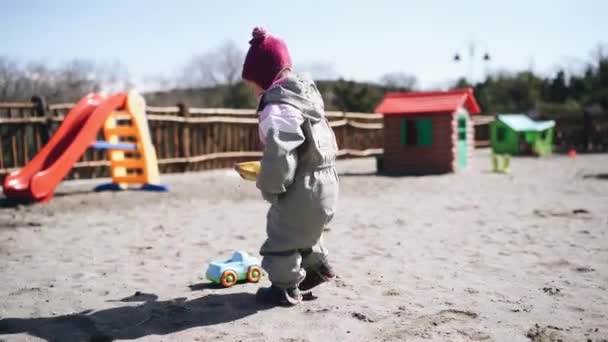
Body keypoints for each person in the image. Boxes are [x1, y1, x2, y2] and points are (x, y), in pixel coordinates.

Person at [241, 27, 339, 306]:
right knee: (307, 232)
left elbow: (281, 152)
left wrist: (270, 185)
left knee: (281, 238)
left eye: (252, 83)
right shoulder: (307, 99)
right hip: (328, 181)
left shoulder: (278, 106)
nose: (252, 90)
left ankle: (283, 288)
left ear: (264, 77)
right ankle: (319, 268)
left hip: (303, 187)